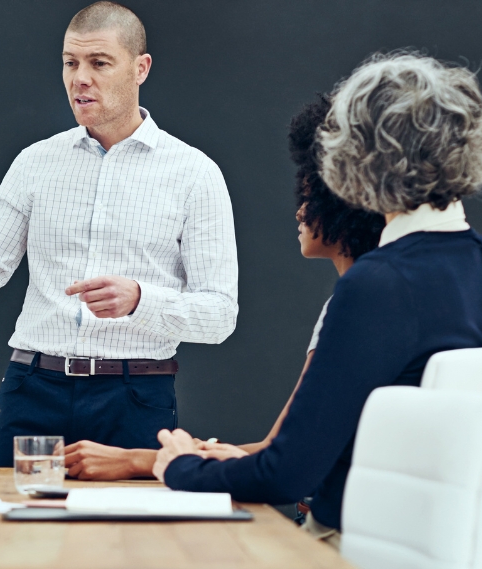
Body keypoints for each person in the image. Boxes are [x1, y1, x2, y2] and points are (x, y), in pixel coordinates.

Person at [153, 52, 482, 548]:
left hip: (351, 547)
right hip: (455, 553)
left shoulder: (376, 283)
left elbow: (287, 474)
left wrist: (182, 468)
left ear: (355, 160)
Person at [0, 1, 239, 466]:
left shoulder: (195, 174)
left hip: (136, 396)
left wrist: (141, 300)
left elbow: (220, 317)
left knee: (126, 538)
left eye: (99, 63)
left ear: (140, 68)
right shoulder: (35, 162)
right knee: (8, 534)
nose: (79, 78)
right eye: (70, 62)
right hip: (32, 389)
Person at [63, 95, 385, 480]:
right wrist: (180, 453)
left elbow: (283, 460)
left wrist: (140, 460)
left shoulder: (355, 302)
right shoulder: (369, 296)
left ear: (348, 202)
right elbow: (279, 447)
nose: (300, 210)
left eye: (312, 195)